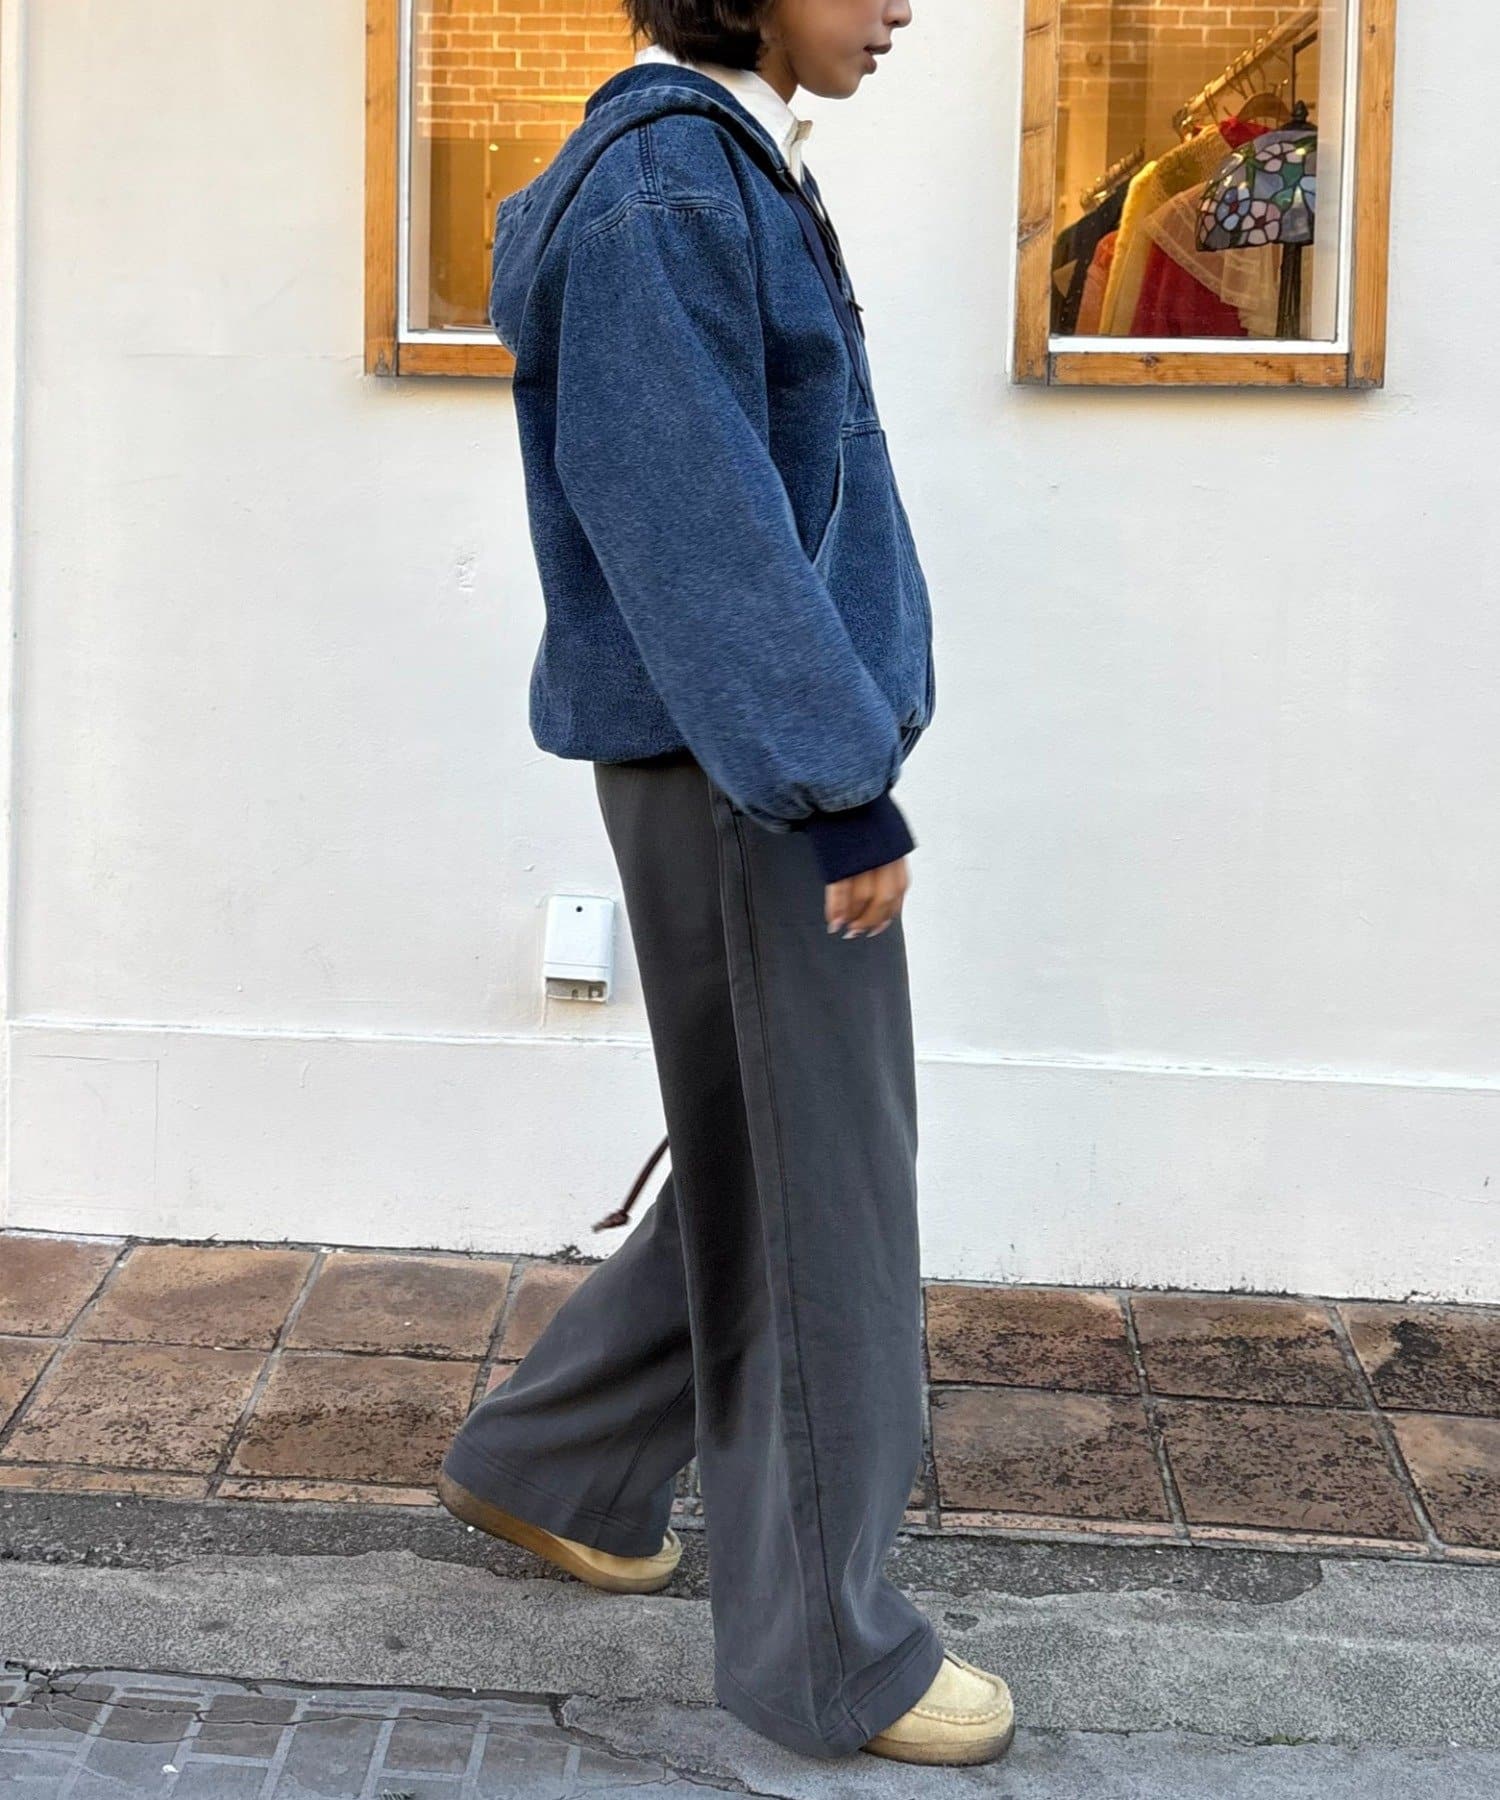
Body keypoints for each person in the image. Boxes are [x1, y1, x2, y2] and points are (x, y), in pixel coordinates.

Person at [438, 0, 1015, 1767]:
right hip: (747, 774)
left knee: (771, 1151)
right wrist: (835, 794)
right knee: (825, 1198)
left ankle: (556, 1468)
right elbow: (696, 525)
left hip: (746, 756)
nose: (902, 7)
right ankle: (830, 1658)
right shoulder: (667, 189)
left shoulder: (709, 166)